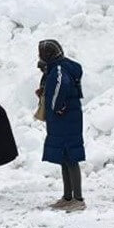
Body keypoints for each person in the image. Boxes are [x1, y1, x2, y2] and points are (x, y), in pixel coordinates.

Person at [37, 40, 86, 212]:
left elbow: (61, 86)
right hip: (66, 119)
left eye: (41, 53)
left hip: (65, 119)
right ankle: (67, 197)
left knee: (71, 158)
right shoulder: (58, 67)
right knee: (64, 157)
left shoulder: (58, 69)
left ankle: (78, 199)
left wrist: (56, 107)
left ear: (48, 55)